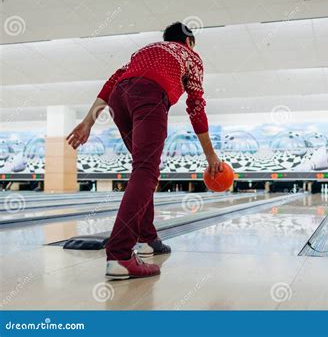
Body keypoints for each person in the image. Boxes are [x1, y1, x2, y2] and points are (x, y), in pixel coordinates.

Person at [67, 22, 222, 280]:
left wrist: (88, 121)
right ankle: (120, 256)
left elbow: (112, 82)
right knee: (146, 171)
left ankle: (148, 239)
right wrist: (211, 156)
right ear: (190, 41)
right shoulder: (190, 56)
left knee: (143, 170)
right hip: (149, 95)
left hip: (120, 98)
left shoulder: (145, 50)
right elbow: (196, 106)